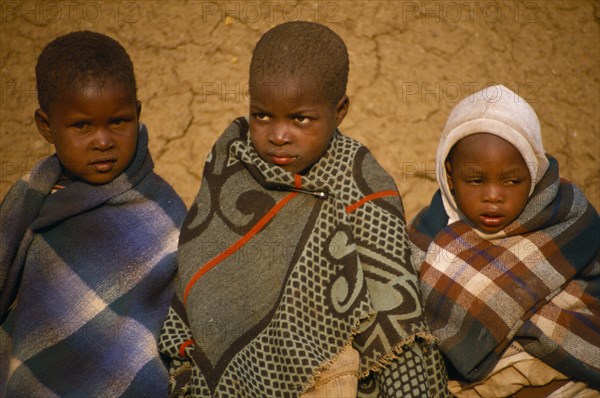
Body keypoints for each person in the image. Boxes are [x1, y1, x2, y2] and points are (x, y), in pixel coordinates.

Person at [159, 21, 449, 397]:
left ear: (339, 110)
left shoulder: (360, 181)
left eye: (300, 119)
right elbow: (200, 272)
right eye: (262, 115)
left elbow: (394, 312)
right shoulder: (229, 168)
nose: (278, 135)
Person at [0, 31, 187, 397]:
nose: (103, 140)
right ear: (46, 125)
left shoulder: (162, 215)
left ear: (137, 114)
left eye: (117, 121)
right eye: (82, 126)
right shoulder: (31, 198)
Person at [409, 84, 600, 397]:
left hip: (568, 374)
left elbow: (587, 302)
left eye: (513, 181)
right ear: (450, 175)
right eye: (476, 180)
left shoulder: (570, 219)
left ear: (534, 174)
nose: (494, 197)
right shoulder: (425, 235)